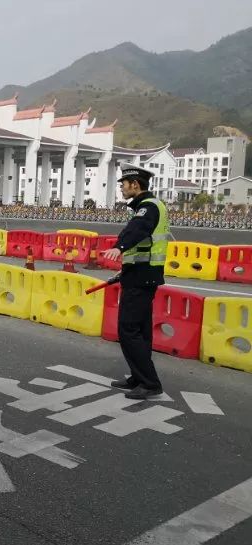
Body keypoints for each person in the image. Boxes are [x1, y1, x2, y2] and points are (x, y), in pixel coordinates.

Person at [102, 163, 172, 400]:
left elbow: (137, 231)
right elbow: (141, 240)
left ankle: (150, 383)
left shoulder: (147, 207)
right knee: (140, 330)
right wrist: (125, 269)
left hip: (142, 277)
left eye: (123, 184)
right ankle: (138, 377)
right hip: (141, 274)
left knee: (128, 329)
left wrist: (118, 248)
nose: (121, 188)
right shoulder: (145, 206)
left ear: (135, 184)